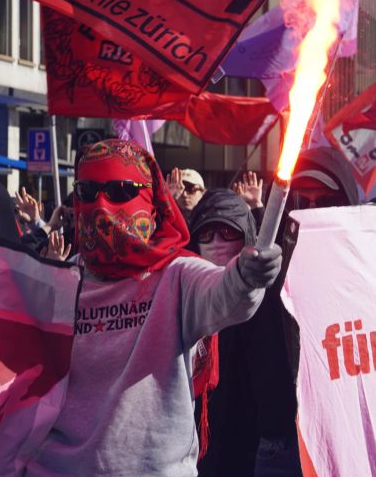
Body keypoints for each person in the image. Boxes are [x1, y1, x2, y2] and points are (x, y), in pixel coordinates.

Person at [24, 140, 282, 476]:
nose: (101, 205)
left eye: (120, 191)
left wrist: (247, 276)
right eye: (87, 190)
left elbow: (226, 296)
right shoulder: (54, 282)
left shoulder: (176, 275)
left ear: (149, 199)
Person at [246, 147, 359, 477]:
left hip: (343, 441)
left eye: (323, 202)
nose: (310, 212)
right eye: (300, 202)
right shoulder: (264, 268)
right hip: (279, 443)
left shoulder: (366, 273)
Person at [188, 189, 261, 477]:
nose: (216, 243)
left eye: (227, 232)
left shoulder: (269, 298)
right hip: (190, 453)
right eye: (206, 233)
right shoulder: (179, 296)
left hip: (251, 450)